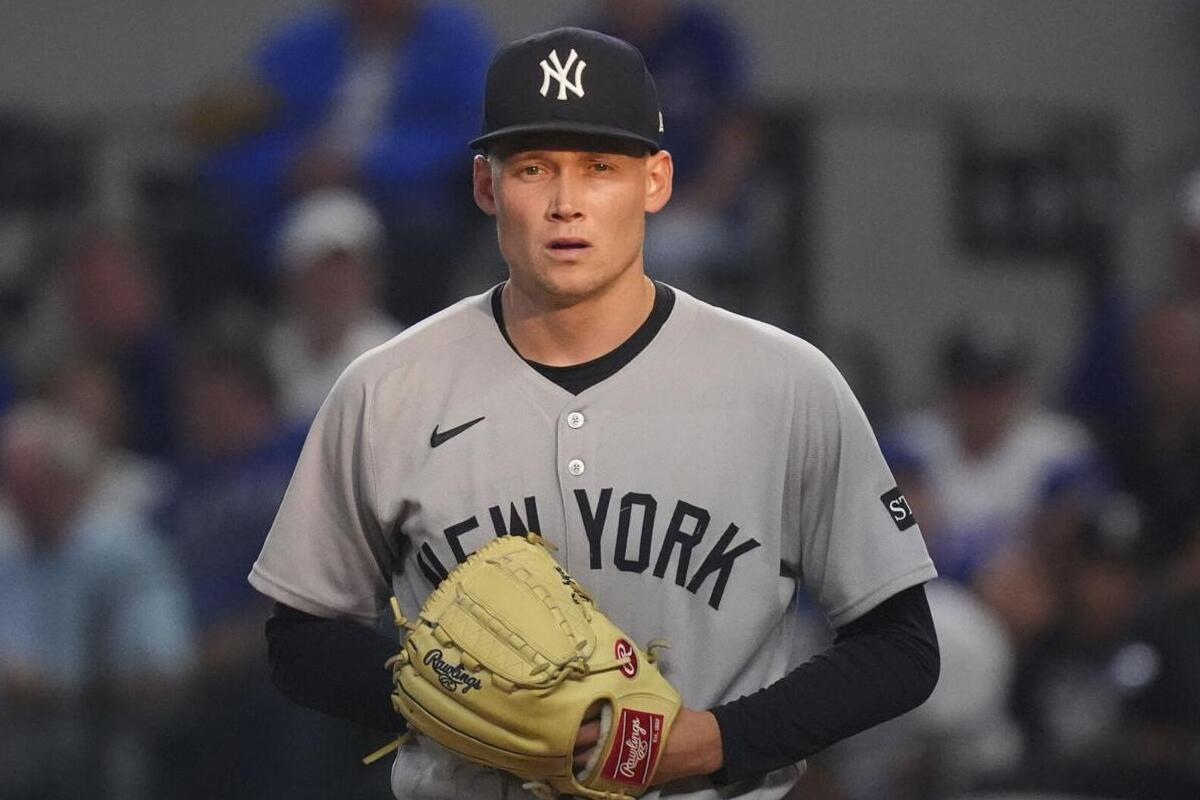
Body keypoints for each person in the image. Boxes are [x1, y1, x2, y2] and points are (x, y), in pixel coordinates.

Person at [250, 27, 940, 800]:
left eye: (600, 168)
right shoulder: (386, 389)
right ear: (485, 186)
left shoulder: (785, 384)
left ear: (657, 181)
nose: (565, 203)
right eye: (534, 168)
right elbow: (299, 636)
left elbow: (902, 647)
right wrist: (436, 688)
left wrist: (718, 742)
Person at [193, 0, 492, 324]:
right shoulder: (300, 43)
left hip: (400, 202)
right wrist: (292, 164)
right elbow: (243, 133)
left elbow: (469, 132)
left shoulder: (455, 42)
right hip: (296, 197)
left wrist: (365, 165)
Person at [267, 189, 404, 425]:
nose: (334, 283)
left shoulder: (399, 356)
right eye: (320, 270)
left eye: (346, 269)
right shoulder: (267, 354)